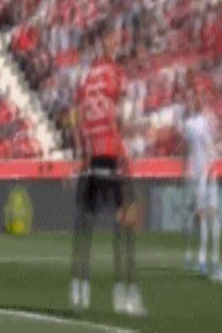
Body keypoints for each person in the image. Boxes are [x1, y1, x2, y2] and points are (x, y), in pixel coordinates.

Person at [69, 27, 145, 315]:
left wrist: (81, 152)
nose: (115, 44)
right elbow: (121, 118)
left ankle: (79, 291)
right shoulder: (114, 73)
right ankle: (125, 295)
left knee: (84, 225)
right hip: (112, 153)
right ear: (105, 42)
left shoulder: (85, 77)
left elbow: (76, 117)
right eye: (112, 39)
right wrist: (129, 145)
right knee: (125, 223)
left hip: (91, 158)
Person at [182, 91, 220, 277]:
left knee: (211, 215)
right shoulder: (191, 123)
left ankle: (213, 260)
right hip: (199, 174)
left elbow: (211, 144)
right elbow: (197, 145)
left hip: (208, 171)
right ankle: (202, 259)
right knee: (201, 216)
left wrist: (210, 165)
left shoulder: (204, 120)